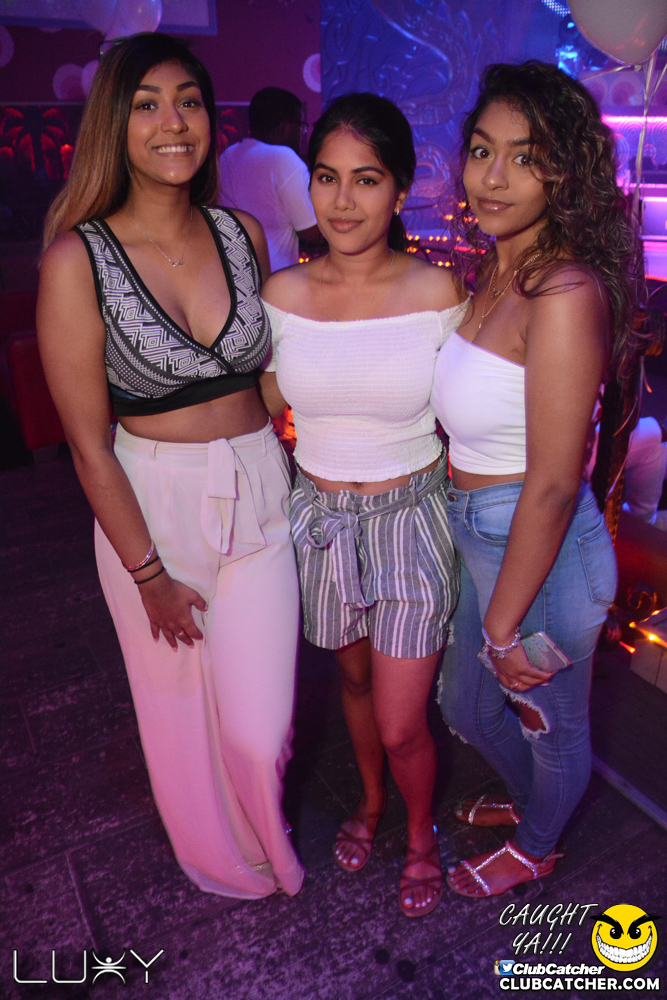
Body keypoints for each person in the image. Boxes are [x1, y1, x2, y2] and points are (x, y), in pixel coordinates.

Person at [37, 33, 304, 900]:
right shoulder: (78, 259)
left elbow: (266, 379)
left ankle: (265, 826)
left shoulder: (242, 232)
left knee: (261, 726)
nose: (173, 122)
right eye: (146, 105)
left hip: (259, 482)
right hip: (149, 498)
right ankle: (227, 859)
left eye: (189, 100)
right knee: (179, 708)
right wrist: (146, 572)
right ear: (114, 125)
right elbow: (87, 442)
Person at [431, 61, 641, 898]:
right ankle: (532, 805)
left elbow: (554, 481)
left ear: (563, 172)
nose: (492, 176)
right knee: (466, 707)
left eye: (524, 157)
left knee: (553, 727)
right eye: (482, 150)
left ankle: (540, 843)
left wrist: (503, 624)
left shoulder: (563, 290)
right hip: (482, 530)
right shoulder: (495, 268)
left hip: (542, 551)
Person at [259, 93, 468, 917]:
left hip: (411, 518)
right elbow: (255, 404)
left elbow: (473, 415)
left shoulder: (436, 291)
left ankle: (420, 835)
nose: (342, 201)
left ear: (400, 189)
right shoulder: (281, 294)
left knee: (400, 721)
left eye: (367, 179)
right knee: (351, 681)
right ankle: (373, 802)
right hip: (317, 521)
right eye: (326, 177)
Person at [219, 86, 321, 271]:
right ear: (286, 126)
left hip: (236, 276)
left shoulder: (228, 156)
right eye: (301, 126)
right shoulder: (283, 158)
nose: (301, 134)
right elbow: (311, 232)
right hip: (276, 277)